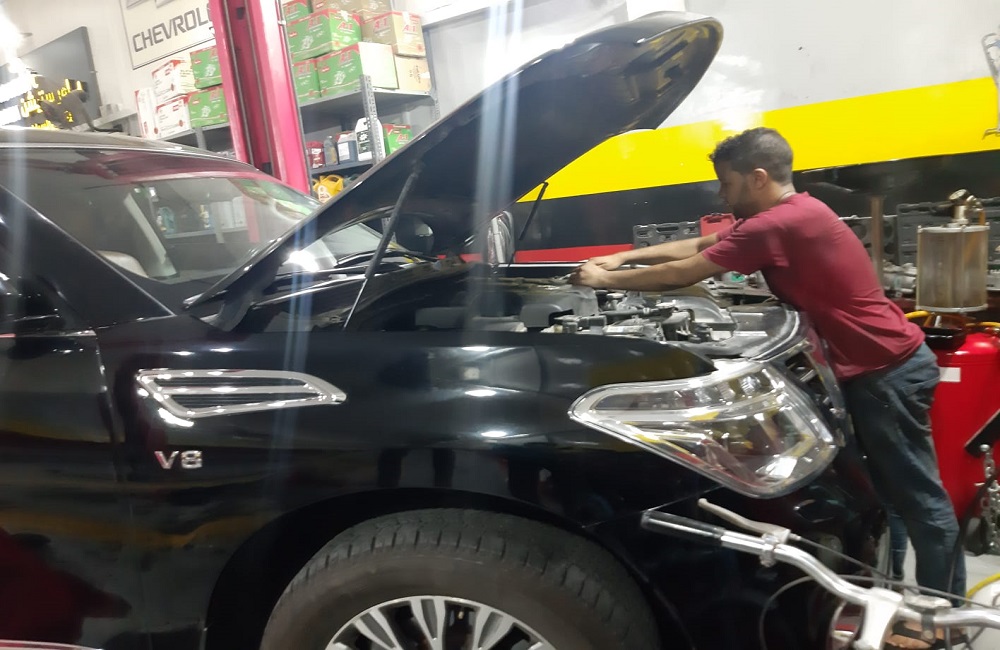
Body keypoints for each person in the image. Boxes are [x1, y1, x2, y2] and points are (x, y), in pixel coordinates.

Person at [570, 127, 965, 649]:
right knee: (891, 497)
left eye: (727, 183)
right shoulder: (794, 213)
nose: (722, 195)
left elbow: (685, 272)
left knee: (919, 500)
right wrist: (623, 258)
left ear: (758, 177)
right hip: (880, 366)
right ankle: (897, 600)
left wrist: (604, 281)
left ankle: (944, 621)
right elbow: (702, 243)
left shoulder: (781, 223)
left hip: (885, 370)